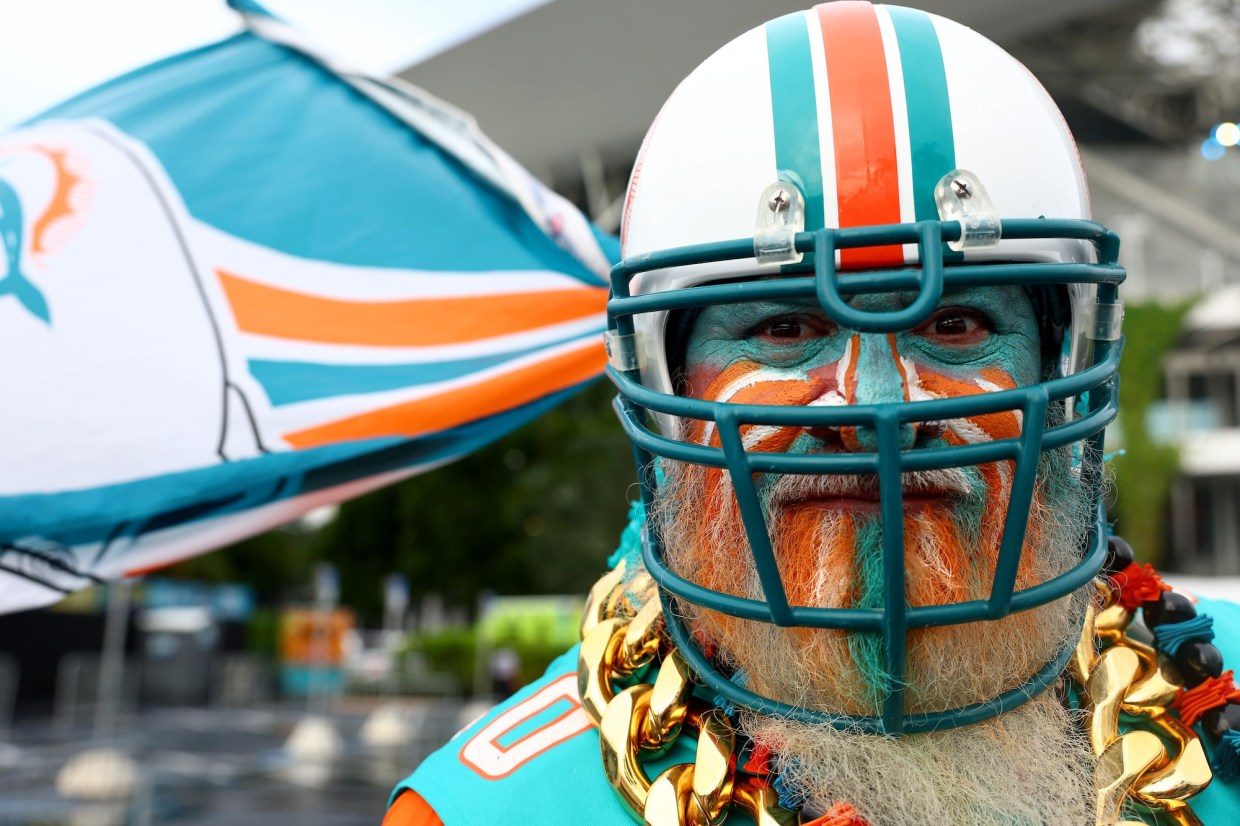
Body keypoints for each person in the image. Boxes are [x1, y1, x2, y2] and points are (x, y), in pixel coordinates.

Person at [385, 3, 1240, 823]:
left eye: (954, 325)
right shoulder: (490, 813)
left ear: (1064, 360)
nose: (874, 408)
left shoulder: (1219, 681)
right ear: (665, 380)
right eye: (785, 328)